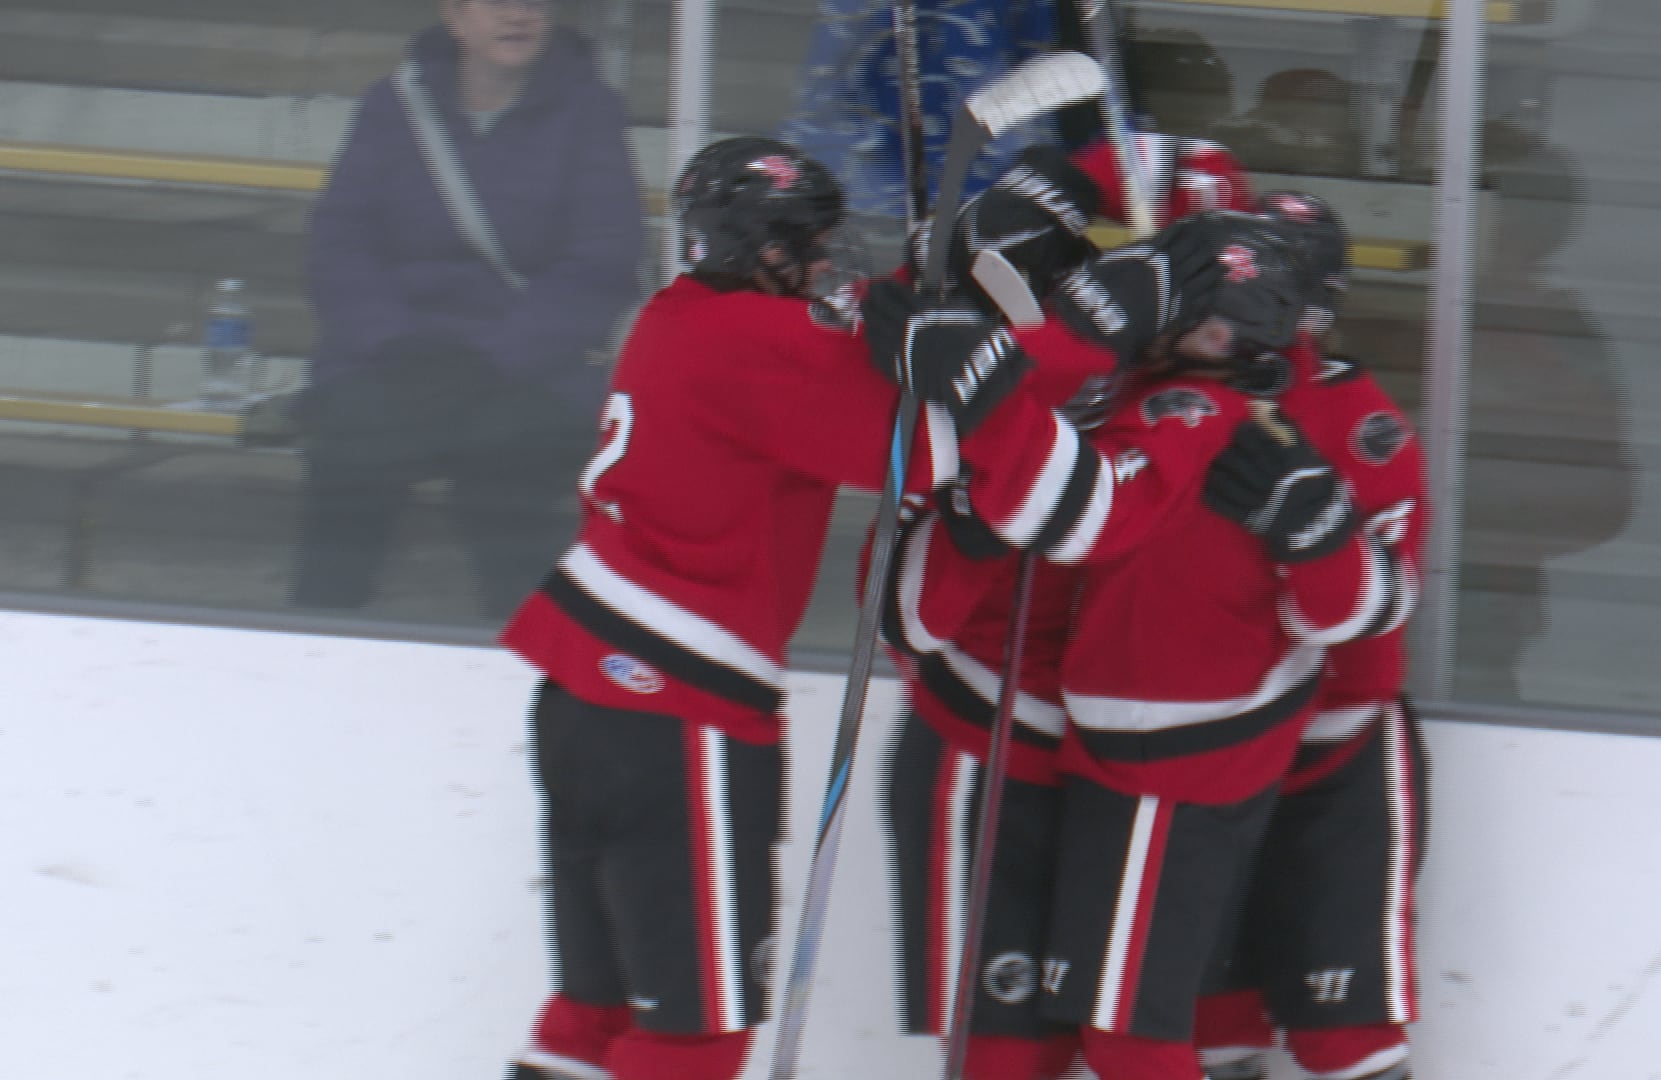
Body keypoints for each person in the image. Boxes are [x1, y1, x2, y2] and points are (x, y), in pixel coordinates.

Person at [498, 135, 1224, 1080]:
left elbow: (870, 351)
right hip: (672, 708)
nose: (822, 261)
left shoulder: (684, 319)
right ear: (756, 247)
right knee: (696, 1035)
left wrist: (965, 261)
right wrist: (1091, 323)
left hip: (585, 690)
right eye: (805, 244)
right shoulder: (755, 341)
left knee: (591, 1014)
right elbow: (939, 428)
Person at [872, 210, 1413, 1080]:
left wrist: (988, 394)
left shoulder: (1191, 410)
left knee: (1127, 1038)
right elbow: (904, 608)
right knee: (1061, 1037)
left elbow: (1078, 510)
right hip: (1098, 759)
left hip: (1158, 768)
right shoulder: (1177, 401)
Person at [297, 0, 648, 619]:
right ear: (454, 16)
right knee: (352, 442)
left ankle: (519, 638)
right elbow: (339, 243)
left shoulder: (588, 112)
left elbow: (602, 262)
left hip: (527, 362)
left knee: (509, 456)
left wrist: (497, 357)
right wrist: (391, 342)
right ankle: (320, 626)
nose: (520, 16)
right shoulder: (393, 106)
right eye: (498, 2)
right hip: (397, 354)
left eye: (533, 2)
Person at [1193, 192, 1430, 1080]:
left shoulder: (1367, 430)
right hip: (1206, 758)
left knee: (1345, 1031)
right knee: (1209, 1027)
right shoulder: (1176, 397)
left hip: (1336, 760)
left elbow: (1366, 631)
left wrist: (1312, 540)